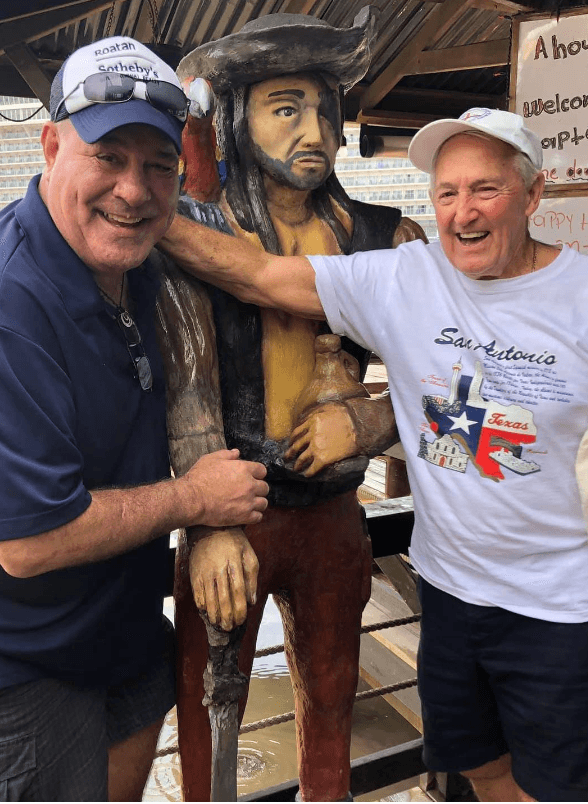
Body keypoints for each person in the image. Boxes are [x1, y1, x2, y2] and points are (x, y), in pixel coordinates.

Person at [159, 106, 588, 803]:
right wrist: (146, 209)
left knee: (559, 786)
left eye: (486, 189)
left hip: (558, 607)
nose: (461, 211)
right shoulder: (407, 277)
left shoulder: (578, 298)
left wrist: (362, 423)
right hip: (448, 595)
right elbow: (257, 275)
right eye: (446, 193)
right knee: (478, 764)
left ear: (533, 195)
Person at [154, 8, 426, 802]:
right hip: (237, 510)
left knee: (333, 703)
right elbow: (189, 385)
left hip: (335, 517)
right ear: (239, 123)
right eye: (286, 109)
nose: (315, 131)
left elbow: (442, 375)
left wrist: (372, 421)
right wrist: (207, 524)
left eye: (324, 111)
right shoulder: (194, 235)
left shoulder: (387, 238)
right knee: (210, 716)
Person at [0, 36, 269, 803]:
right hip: (30, 664)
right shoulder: (15, 307)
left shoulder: (139, 258)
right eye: (108, 157)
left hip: (125, 631)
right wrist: (198, 502)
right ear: (50, 146)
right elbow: (27, 542)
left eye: (158, 164)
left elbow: (252, 260)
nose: (134, 189)